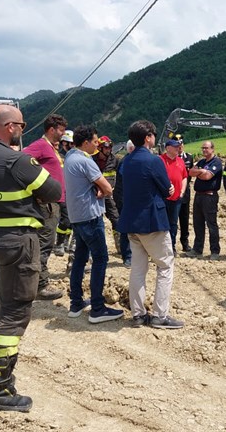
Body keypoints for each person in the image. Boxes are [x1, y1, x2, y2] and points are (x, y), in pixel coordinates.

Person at [0, 105, 61, 412]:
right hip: (17, 243)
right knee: (15, 311)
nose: (23, 128)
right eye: (20, 124)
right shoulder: (16, 160)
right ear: (9, 127)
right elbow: (54, 190)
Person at [117, 120, 183, 329]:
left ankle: (138, 314)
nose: (155, 138)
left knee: (138, 269)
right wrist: (169, 189)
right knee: (165, 265)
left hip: (131, 222)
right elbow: (167, 190)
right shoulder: (154, 161)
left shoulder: (126, 161)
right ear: (148, 137)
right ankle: (159, 315)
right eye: (153, 135)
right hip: (152, 222)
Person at [63, 125, 124, 323]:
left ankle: (76, 303)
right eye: (95, 142)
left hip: (77, 216)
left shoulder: (70, 158)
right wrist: (103, 191)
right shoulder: (85, 160)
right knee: (100, 259)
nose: (97, 145)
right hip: (90, 216)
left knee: (80, 259)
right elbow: (107, 187)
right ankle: (98, 308)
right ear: (86, 142)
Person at [22, 114, 69, 300]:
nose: (63, 134)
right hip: (47, 204)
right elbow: (22, 160)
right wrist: (38, 187)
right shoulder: (41, 146)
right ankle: (40, 285)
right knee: (44, 243)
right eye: (61, 131)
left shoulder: (50, 148)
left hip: (53, 202)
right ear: (52, 129)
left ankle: (35, 282)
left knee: (44, 242)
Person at [184, 140, 223, 260]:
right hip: (199, 195)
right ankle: (197, 249)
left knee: (211, 224)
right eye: (203, 148)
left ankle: (215, 251)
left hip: (209, 196)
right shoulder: (201, 161)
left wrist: (199, 172)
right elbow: (190, 172)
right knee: (198, 223)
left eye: (206, 148)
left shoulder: (216, 162)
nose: (204, 150)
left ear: (212, 149)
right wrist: (201, 171)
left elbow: (207, 176)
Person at [160, 139, 188, 254]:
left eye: (178, 146)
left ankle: (172, 246)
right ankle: (161, 248)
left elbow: (184, 177)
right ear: (167, 148)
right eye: (175, 146)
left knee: (173, 224)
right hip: (163, 198)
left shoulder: (180, 161)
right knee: (162, 224)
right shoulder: (160, 160)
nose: (178, 148)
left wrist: (182, 192)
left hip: (177, 198)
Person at [97, 136, 122, 256]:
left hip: (109, 196)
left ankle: (120, 246)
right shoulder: (92, 160)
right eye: (106, 147)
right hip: (95, 197)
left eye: (110, 147)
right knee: (97, 222)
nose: (109, 150)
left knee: (116, 219)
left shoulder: (115, 160)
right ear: (100, 148)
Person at [112, 140, 135, 267]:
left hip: (132, 199)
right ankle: (127, 256)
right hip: (124, 200)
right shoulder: (126, 162)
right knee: (126, 228)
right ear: (131, 149)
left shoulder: (130, 161)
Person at [53, 129, 74, 257]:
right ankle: (59, 243)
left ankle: (65, 241)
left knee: (70, 219)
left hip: (70, 190)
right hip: (60, 191)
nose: (70, 146)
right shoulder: (58, 156)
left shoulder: (69, 156)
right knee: (65, 218)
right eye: (68, 143)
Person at [175, 135, 194, 252]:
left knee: (184, 219)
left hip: (185, 193)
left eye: (181, 144)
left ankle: (185, 242)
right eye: (177, 145)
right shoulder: (171, 158)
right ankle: (171, 244)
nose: (179, 147)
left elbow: (190, 174)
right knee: (172, 219)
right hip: (173, 193)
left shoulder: (189, 157)